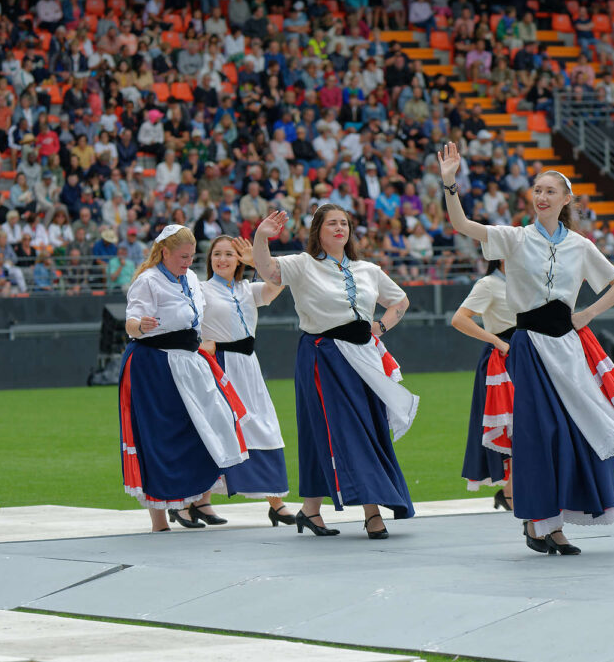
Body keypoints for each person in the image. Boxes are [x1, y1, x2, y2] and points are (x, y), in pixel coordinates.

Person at [439, 143, 614, 556]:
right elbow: (461, 224)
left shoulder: (580, 245)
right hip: (528, 347)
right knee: (539, 434)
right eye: (537, 189)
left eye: (550, 190)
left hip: (568, 346)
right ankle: (537, 523)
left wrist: (586, 315)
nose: (541, 196)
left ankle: (555, 525)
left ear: (566, 200)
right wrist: (449, 182)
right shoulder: (513, 238)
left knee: (574, 432)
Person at [252, 206, 416, 540]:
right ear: (318, 230)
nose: (339, 228)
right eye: (332, 223)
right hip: (323, 356)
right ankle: (373, 512)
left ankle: (310, 509)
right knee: (347, 429)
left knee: (348, 429)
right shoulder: (303, 264)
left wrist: (381, 325)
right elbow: (268, 271)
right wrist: (261, 237)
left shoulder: (367, 269)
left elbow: (400, 301)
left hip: (363, 358)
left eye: (344, 223)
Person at [119, 224, 249, 532]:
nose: (187, 262)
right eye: (182, 256)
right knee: (157, 437)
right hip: (154, 364)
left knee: (206, 426)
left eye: (191, 257)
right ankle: (159, 519)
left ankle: (194, 501)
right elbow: (131, 323)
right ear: (164, 252)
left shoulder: (191, 278)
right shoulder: (148, 281)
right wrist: (141, 326)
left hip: (188, 362)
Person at [199, 235, 294, 526]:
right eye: (217, 254)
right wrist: (201, 342)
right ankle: (200, 501)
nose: (223, 259)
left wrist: (256, 261)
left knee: (262, 424)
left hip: (248, 367)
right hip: (218, 367)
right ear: (209, 259)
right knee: (219, 429)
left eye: (229, 254)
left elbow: (279, 284)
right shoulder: (200, 290)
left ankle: (275, 500)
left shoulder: (247, 289)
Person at [450, 259, 516, 509]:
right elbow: (459, 319)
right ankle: (511, 493)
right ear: (502, 256)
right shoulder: (488, 284)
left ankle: (511, 491)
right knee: (514, 425)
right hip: (503, 359)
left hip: (527, 354)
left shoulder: (525, 281)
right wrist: (495, 341)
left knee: (527, 425)